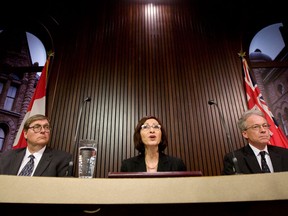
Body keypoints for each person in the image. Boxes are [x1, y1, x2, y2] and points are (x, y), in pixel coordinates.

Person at [0, 114, 73, 177]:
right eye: (37, 127)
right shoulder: (6, 157)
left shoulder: (62, 159)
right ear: (25, 134)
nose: (43, 131)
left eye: (46, 127)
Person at [222, 108, 288, 175]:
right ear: (245, 134)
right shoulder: (234, 159)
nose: (263, 130)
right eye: (256, 127)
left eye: (265, 126)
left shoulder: (285, 154)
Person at [120, 115, 187, 172]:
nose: (152, 131)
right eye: (145, 127)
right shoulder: (127, 166)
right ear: (139, 135)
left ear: (161, 135)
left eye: (156, 127)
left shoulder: (177, 165)